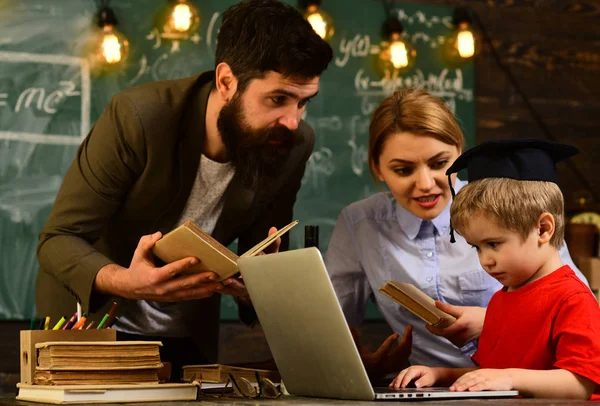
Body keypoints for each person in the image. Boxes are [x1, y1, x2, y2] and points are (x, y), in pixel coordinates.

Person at [36, 0, 333, 379]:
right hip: (89, 329)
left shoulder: (292, 143)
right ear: (226, 82)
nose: (293, 121)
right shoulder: (138, 117)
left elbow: (263, 249)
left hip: (190, 340)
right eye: (277, 99)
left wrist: (260, 283)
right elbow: (58, 239)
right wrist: (127, 281)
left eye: (303, 102)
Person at [325, 89, 588, 375]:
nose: (425, 184)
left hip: (532, 383)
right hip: (434, 385)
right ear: (378, 168)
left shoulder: (510, 206)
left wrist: (491, 322)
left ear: (460, 152)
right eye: (403, 170)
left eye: (440, 164)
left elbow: (580, 316)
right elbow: (328, 322)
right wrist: (364, 364)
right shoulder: (359, 223)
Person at [391, 139, 600, 399]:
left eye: (493, 244)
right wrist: (441, 374)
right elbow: (491, 374)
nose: (485, 260)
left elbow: (580, 385)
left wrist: (509, 377)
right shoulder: (501, 299)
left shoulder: (573, 300)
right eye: (477, 247)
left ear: (543, 229)